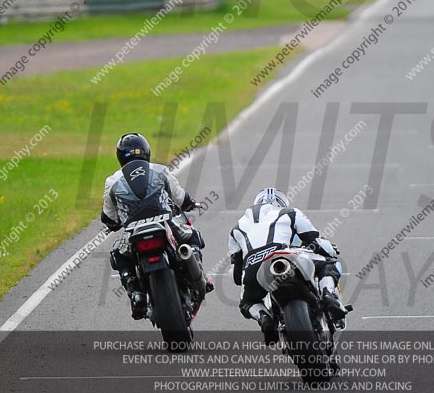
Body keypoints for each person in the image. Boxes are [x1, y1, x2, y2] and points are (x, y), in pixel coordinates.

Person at [101, 133, 210, 320]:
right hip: (166, 223)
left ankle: (135, 292)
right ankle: (200, 276)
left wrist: (112, 223)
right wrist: (189, 203)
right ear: (146, 151)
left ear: (120, 156)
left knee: (119, 255)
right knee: (192, 236)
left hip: (132, 232)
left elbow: (109, 216)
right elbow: (179, 196)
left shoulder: (112, 181)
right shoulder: (160, 170)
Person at [228, 187, 347, 345]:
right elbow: (316, 242)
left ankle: (264, 318)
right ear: (282, 203)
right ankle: (328, 295)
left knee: (247, 303)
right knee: (329, 264)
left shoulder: (236, 228)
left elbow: (236, 276)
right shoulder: (290, 212)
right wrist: (331, 249)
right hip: (284, 257)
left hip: (253, 269)